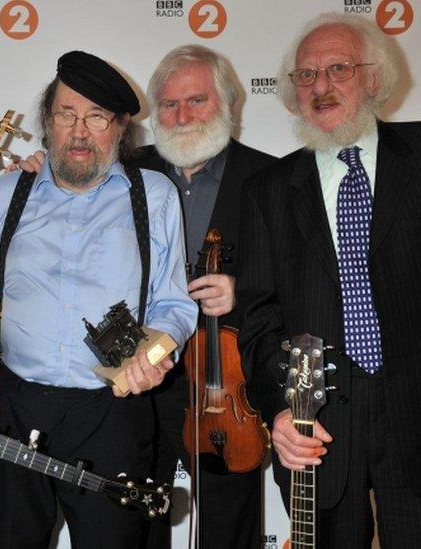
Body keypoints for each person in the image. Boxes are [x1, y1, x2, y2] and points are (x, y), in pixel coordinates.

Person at [237, 12, 421, 547]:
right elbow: (257, 317)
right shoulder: (267, 189)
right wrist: (278, 408)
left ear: (373, 78)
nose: (321, 86)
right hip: (314, 424)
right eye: (307, 75)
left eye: (339, 68)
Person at [0, 50, 197, 549]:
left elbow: (173, 305)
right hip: (13, 407)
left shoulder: (154, 195)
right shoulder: (5, 193)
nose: (80, 132)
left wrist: (155, 353)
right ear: (47, 124)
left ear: (120, 129)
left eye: (96, 117)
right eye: (66, 115)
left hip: (112, 416)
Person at [132, 45, 275, 549]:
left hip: (226, 380)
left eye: (196, 100)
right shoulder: (125, 172)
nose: (181, 116)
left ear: (228, 106)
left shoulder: (274, 177)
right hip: (143, 375)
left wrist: (244, 290)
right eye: (168, 105)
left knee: (228, 524)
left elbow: (303, 281)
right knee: (136, 513)